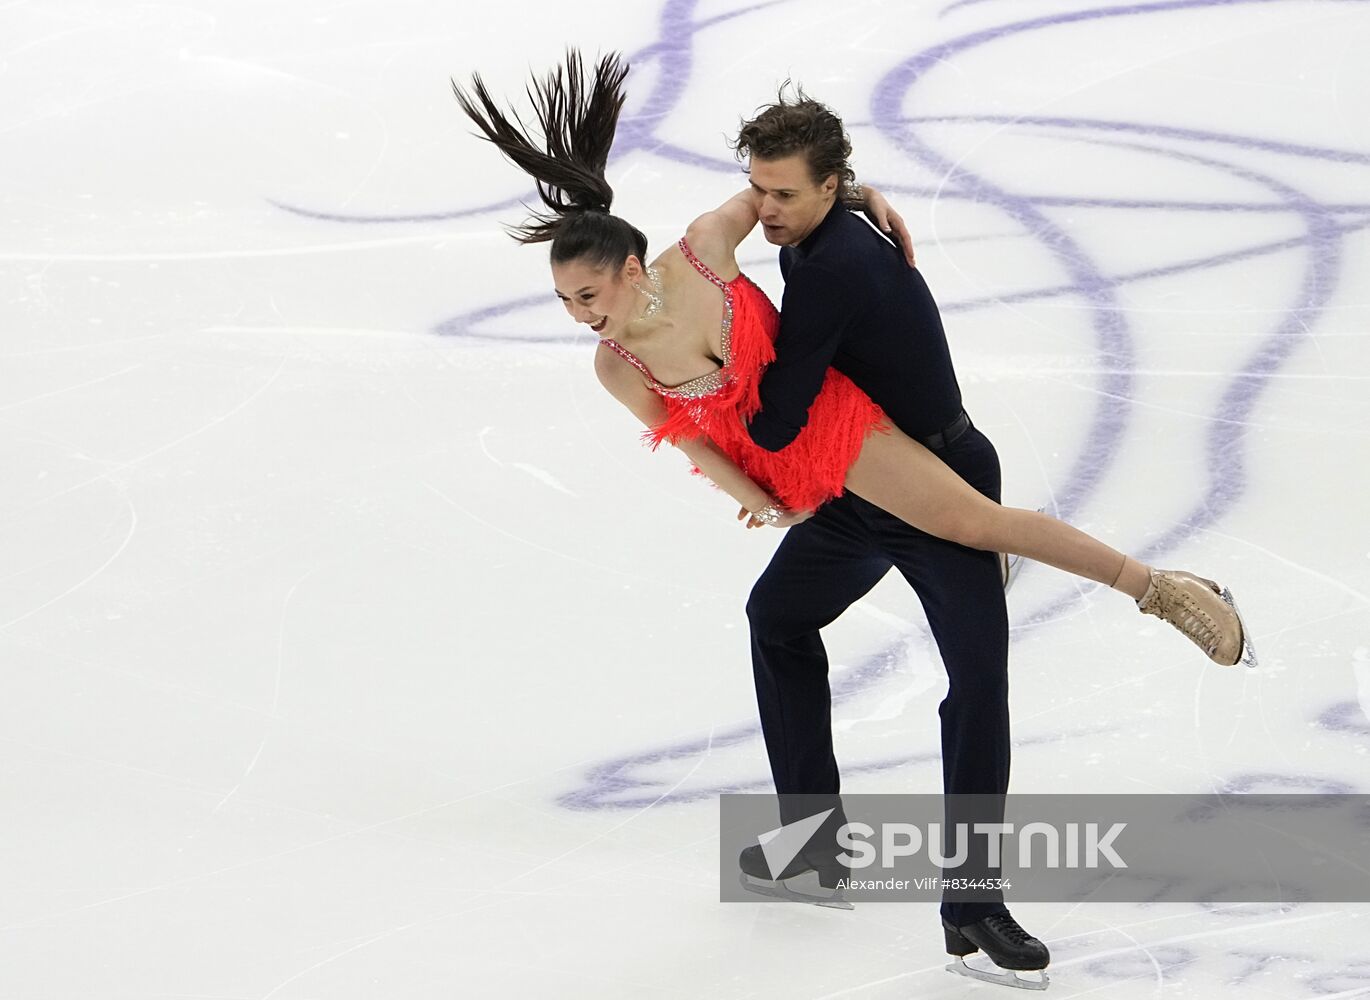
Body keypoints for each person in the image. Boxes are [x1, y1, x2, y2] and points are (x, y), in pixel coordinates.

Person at [455, 51, 1253, 989]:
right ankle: (811, 843)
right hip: (822, 498)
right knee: (776, 620)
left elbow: (767, 207)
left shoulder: (707, 250)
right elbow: (688, 437)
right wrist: (751, 496)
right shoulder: (614, 366)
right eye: (563, 302)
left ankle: (1149, 604)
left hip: (852, 447)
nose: (579, 316)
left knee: (976, 636)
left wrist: (857, 194)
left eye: (588, 295)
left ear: (633, 270)